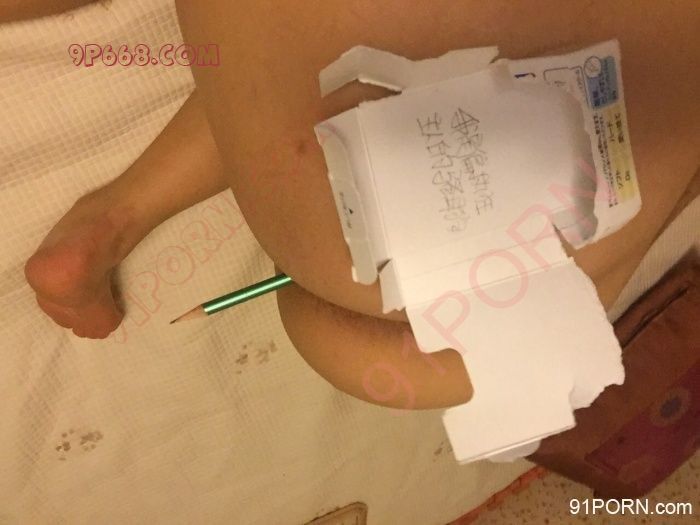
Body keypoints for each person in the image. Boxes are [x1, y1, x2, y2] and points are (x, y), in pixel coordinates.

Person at [13, 0, 700, 409]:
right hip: (492, 315)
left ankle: (119, 213)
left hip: (332, 214)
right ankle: (116, 214)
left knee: (300, 61)